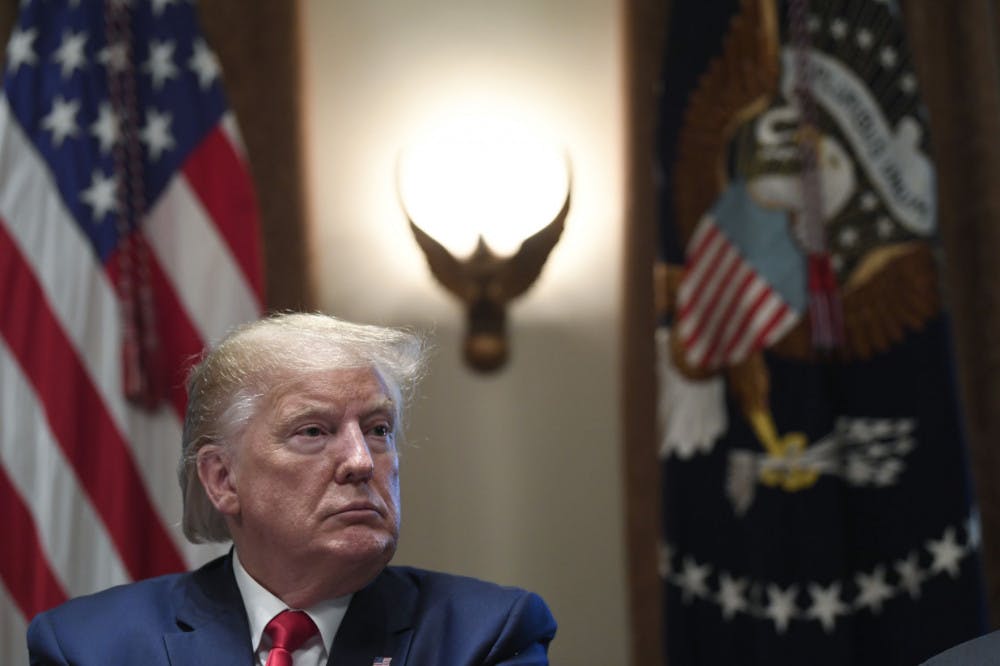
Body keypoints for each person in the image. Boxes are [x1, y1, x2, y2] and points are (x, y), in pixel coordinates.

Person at [28, 312, 557, 665]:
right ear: (222, 478)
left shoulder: (485, 636)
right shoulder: (90, 647)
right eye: (313, 432)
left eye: (378, 430)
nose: (359, 461)